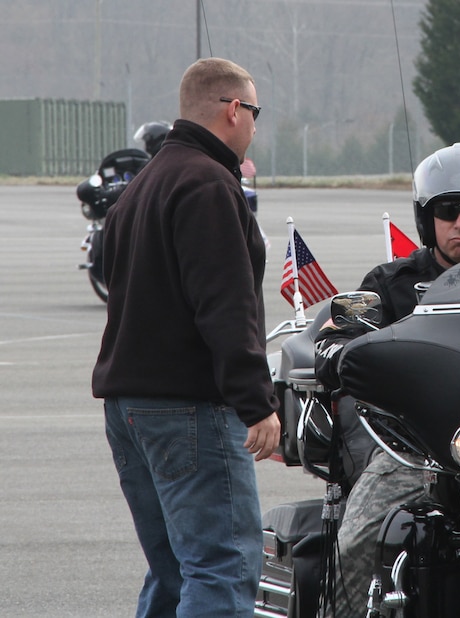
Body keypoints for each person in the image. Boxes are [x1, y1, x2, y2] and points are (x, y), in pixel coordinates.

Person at [92, 57, 280, 618]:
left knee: (175, 570)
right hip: (188, 409)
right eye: (255, 111)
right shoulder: (207, 184)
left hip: (128, 409)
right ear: (232, 110)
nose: (253, 124)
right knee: (222, 568)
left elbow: (109, 275)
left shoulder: (145, 183)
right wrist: (257, 402)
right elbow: (223, 306)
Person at [314, 142, 460, 616]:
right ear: (428, 219)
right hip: (414, 447)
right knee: (355, 543)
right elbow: (330, 344)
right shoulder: (389, 283)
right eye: (447, 211)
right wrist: (351, 355)